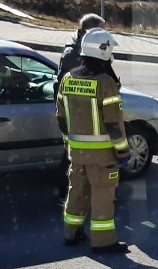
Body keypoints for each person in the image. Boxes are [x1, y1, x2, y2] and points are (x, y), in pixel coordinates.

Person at [56, 28, 131, 254]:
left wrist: (69, 144)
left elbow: (60, 117)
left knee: (76, 191)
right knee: (102, 195)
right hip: (102, 155)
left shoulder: (68, 79)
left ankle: (71, 233)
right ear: (104, 51)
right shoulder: (105, 82)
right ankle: (103, 241)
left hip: (76, 153)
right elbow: (113, 124)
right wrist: (123, 153)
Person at [56, 13, 108, 93]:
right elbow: (63, 87)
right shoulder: (73, 55)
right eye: (101, 31)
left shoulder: (96, 51)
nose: (105, 34)